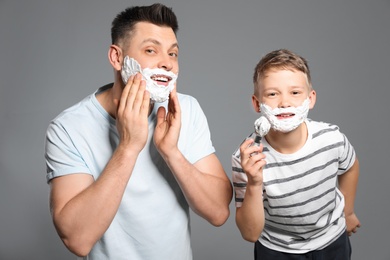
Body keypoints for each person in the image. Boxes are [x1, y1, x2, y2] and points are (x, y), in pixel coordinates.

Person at [44, 3, 232, 259]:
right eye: (151, 50)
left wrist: (172, 152)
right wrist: (128, 147)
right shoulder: (68, 128)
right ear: (117, 57)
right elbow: (77, 240)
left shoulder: (185, 109)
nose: (167, 63)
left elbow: (219, 211)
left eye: (173, 54)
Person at [231, 49, 360, 259]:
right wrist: (254, 182)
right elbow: (250, 233)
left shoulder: (331, 139)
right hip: (276, 249)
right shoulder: (246, 158)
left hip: (331, 240)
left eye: (295, 92)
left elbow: (351, 165)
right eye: (273, 94)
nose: (284, 103)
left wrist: (348, 212)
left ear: (310, 99)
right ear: (257, 104)